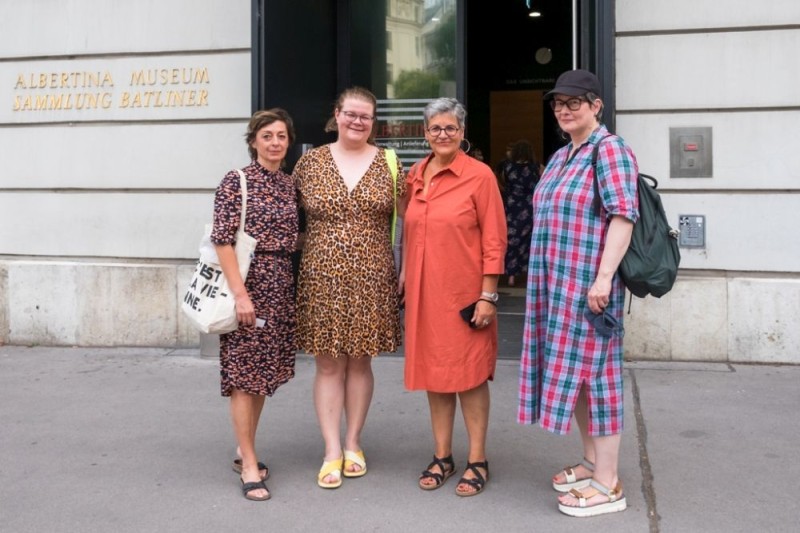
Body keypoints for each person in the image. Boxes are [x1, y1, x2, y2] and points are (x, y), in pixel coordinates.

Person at [517, 69, 639, 517]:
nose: (564, 109)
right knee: (578, 380)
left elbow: (623, 216)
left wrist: (604, 278)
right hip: (556, 287)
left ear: (595, 105)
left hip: (590, 290)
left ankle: (608, 485)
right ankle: (592, 461)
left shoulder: (610, 150)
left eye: (574, 102)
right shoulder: (563, 155)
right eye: (558, 104)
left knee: (600, 381)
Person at [293, 86, 404, 489]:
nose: (358, 121)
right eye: (351, 114)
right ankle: (331, 449)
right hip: (321, 275)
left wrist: (406, 268)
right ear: (336, 114)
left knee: (360, 361)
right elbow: (292, 222)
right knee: (327, 363)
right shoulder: (309, 163)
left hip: (374, 274)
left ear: (373, 123)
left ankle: (353, 441)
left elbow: (409, 221)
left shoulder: (390, 164)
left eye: (366, 116)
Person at [401, 97, 507, 497]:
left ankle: (477, 459)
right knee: (437, 376)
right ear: (425, 133)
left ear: (462, 132)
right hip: (425, 296)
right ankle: (442, 455)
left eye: (450, 128)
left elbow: (496, 239)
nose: (442, 134)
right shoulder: (415, 173)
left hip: (465, 295)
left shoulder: (479, 176)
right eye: (434, 128)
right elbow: (409, 231)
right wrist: (404, 277)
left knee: (470, 377)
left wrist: (488, 296)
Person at [211, 108, 299, 502]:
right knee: (244, 377)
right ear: (253, 141)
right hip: (248, 286)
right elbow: (222, 239)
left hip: (280, 285)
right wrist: (240, 294)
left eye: (281, 135)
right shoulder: (237, 181)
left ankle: (244, 448)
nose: (275, 142)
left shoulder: (287, 184)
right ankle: (248, 464)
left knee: (261, 375)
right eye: (268, 136)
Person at [499, 139, 540, 287]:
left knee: (510, 240)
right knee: (529, 241)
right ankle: (528, 274)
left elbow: (503, 183)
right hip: (530, 207)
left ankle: (510, 276)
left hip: (511, 206)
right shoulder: (536, 167)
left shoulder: (507, 167)